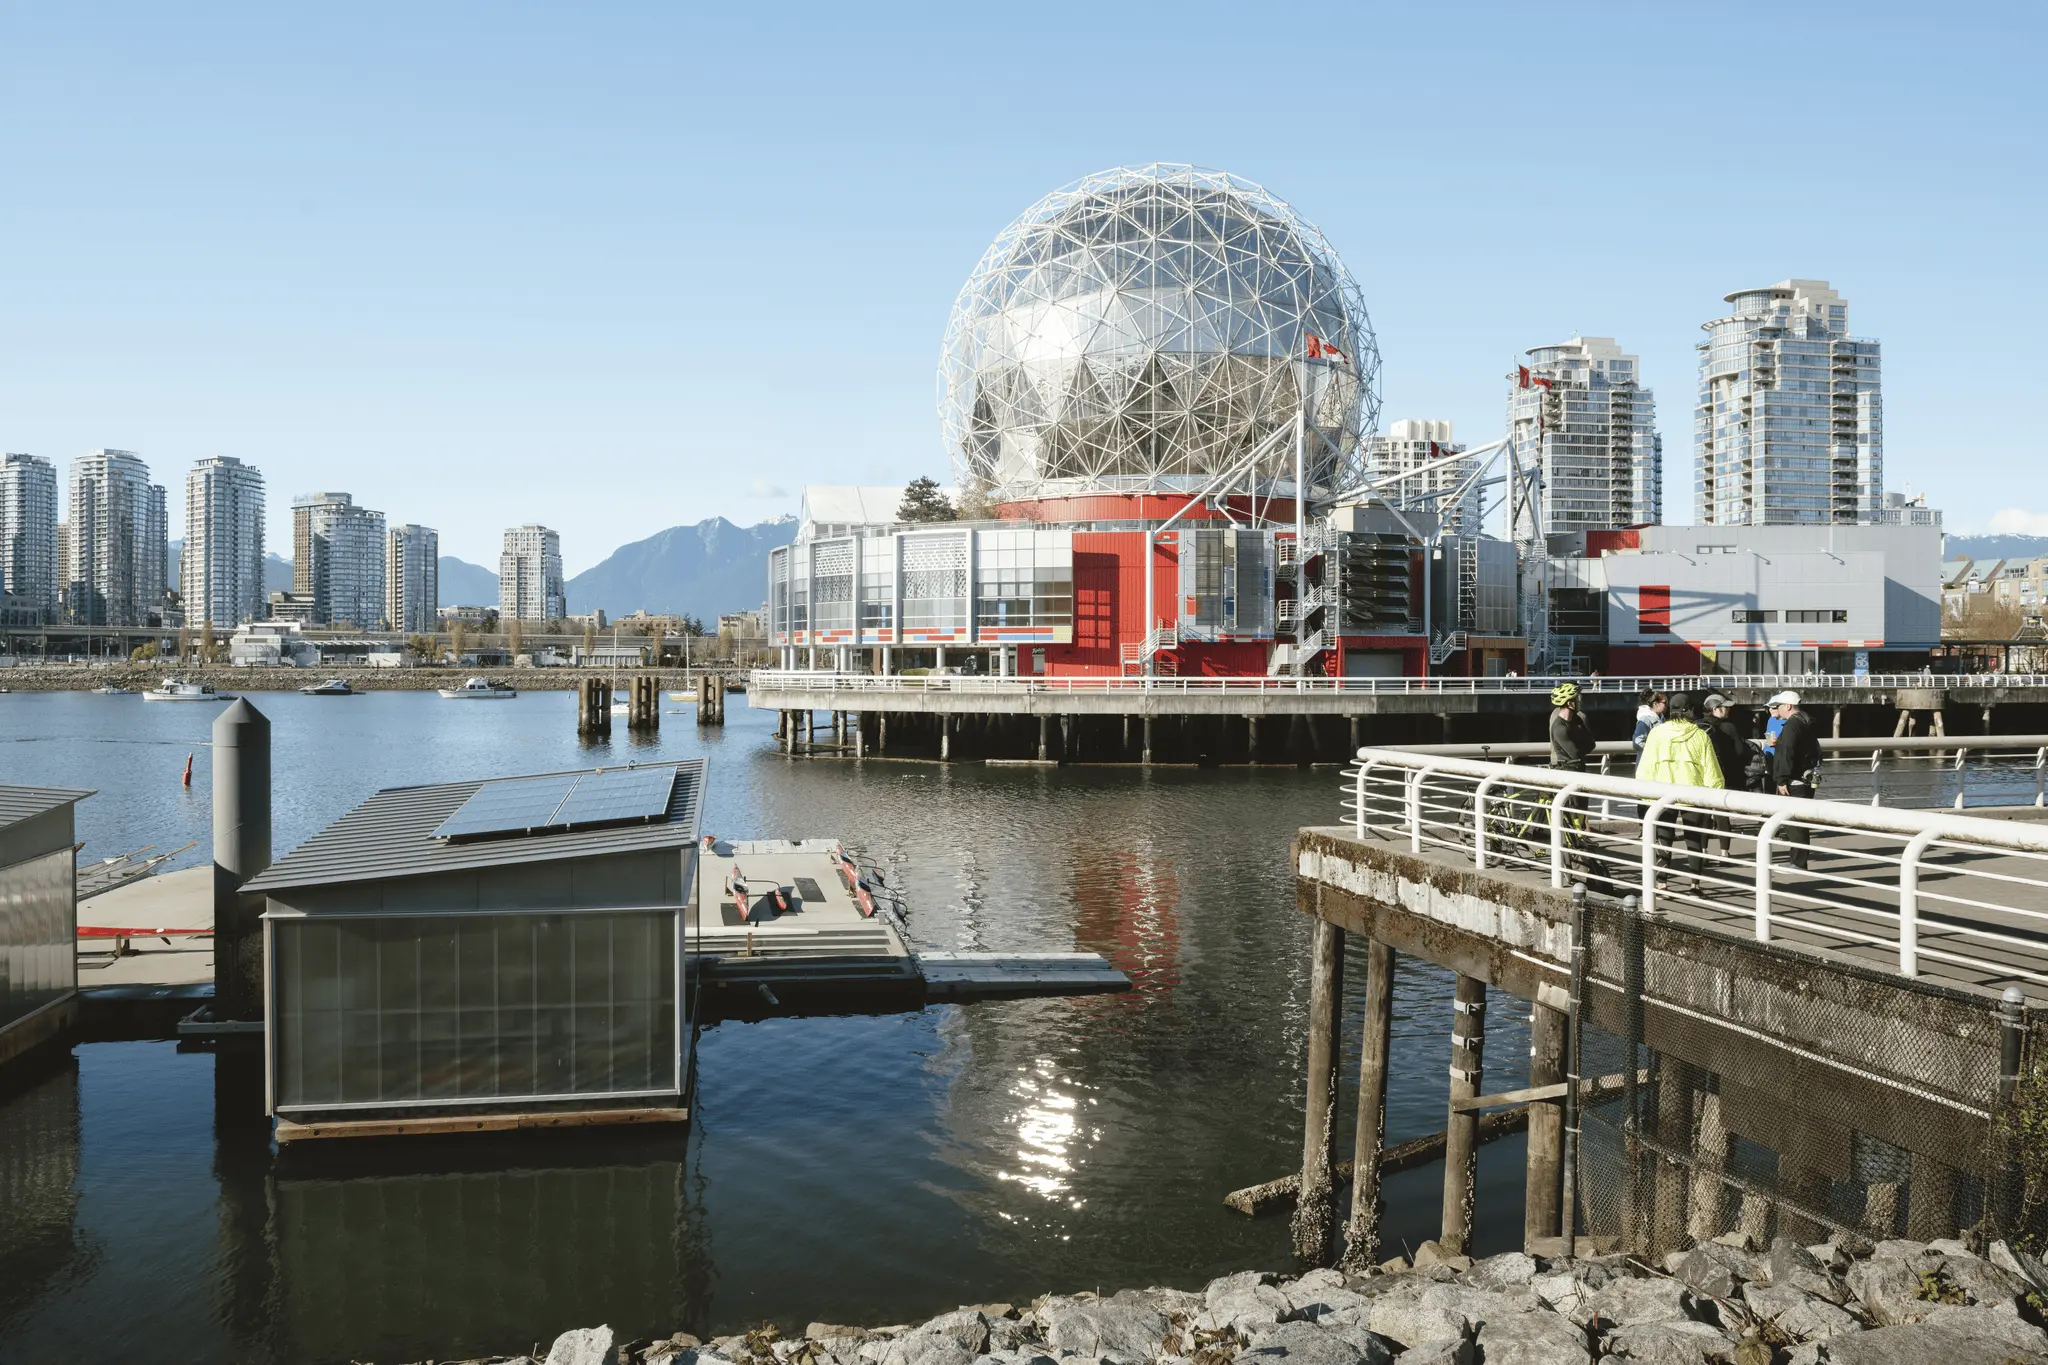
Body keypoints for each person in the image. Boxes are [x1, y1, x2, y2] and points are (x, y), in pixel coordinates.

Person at [1636, 692, 1724, 891]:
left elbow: (1646, 767)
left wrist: (1645, 795)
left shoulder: (1657, 733)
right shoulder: (1700, 735)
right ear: (1691, 710)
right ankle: (1695, 886)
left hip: (1662, 795)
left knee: (1663, 839)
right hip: (1693, 794)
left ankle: (1662, 883)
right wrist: (1715, 795)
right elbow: (1711, 770)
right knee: (1694, 841)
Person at [1768, 690, 1823, 870]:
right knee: (1800, 821)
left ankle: (1798, 862)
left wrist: (1781, 779)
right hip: (1807, 776)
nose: (1778, 710)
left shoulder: (1792, 725)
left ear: (1788, 706)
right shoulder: (1807, 721)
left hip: (1794, 779)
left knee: (1793, 823)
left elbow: (1788, 753)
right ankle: (1798, 860)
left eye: (1779, 707)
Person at [1700, 693, 1750, 872]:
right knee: (1722, 816)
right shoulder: (1730, 727)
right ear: (1715, 709)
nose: (1728, 710)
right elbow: (1740, 751)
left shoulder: (1698, 726)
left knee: (1703, 814)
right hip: (1724, 776)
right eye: (1725, 707)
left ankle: (1703, 852)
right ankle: (1724, 852)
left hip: (1702, 777)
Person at [1548, 682, 1596, 772]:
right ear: (1570, 703)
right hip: (1566, 774)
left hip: (1578, 771)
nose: (1580, 701)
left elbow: (1591, 745)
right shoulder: (1559, 727)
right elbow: (1576, 755)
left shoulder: (1577, 719)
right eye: (1577, 699)